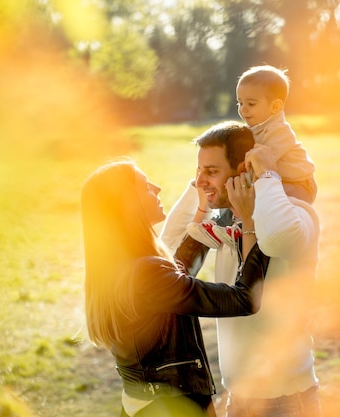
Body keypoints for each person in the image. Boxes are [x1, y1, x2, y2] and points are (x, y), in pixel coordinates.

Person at [81, 159, 270, 417]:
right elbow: (244, 298)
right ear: (127, 204)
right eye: (145, 186)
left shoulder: (123, 267)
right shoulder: (147, 274)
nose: (157, 188)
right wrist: (250, 223)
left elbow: (178, 274)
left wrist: (203, 211)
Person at [161, 121, 322, 417]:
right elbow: (169, 261)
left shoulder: (296, 215)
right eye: (198, 171)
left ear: (243, 171)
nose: (201, 180)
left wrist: (261, 187)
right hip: (238, 398)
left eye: (211, 171)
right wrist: (201, 197)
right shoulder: (222, 225)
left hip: (285, 400)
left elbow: (274, 244)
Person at [187, 64, 317, 249]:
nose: (243, 110)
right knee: (236, 188)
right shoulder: (256, 127)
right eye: (240, 103)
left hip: (298, 184)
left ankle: (236, 227)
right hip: (280, 179)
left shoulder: (278, 131)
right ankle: (223, 228)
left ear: (275, 106)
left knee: (250, 193)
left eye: (251, 104)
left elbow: (262, 160)